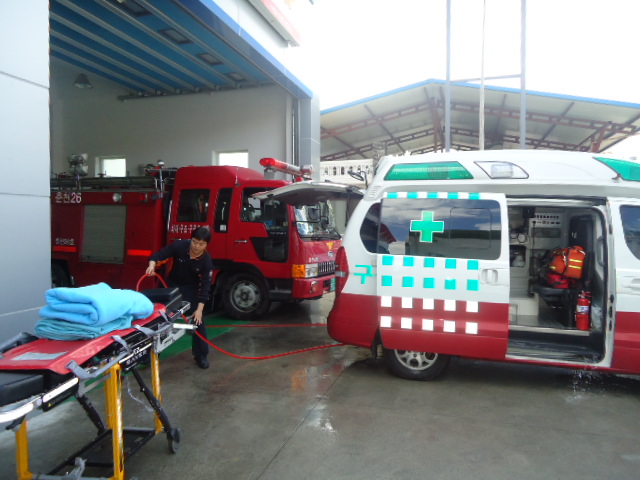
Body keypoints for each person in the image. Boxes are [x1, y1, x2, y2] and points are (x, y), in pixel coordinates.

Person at [146, 227, 214, 369]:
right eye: (194, 242)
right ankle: (150, 354)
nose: (196, 246)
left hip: (190, 288)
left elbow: (206, 286)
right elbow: (159, 255)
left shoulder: (206, 261)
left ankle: (201, 355)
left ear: (206, 245)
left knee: (198, 320)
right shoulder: (180, 246)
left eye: (201, 244)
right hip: (171, 286)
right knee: (158, 317)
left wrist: (200, 309)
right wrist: (152, 265)